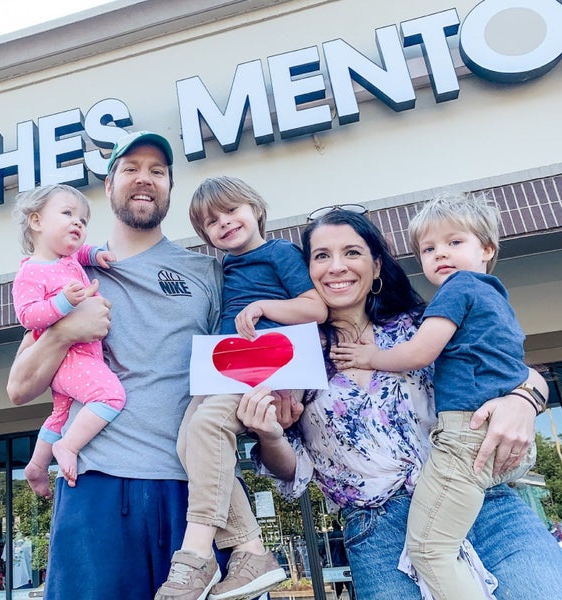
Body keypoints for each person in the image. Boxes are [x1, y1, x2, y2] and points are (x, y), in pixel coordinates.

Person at [235, 207, 562, 599]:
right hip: (379, 530)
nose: (336, 266)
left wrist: (524, 402)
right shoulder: (292, 355)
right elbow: (295, 469)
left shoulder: (423, 324)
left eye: (351, 252)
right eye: (321, 256)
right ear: (308, 271)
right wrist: (270, 435)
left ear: (376, 267)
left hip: (483, 504)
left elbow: (517, 373)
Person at [6, 131, 224, 600]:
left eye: (157, 171)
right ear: (108, 186)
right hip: (96, 486)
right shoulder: (70, 274)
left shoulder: (206, 273)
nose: (144, 180)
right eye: (130, 169)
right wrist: (66, 329)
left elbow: (231, 370)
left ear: (169, 186)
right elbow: (20, 387)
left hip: (192, 490)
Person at [330, 193, 545, 599]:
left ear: (487, 249)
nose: (440, 254)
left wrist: (370, 357)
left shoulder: (454, 291)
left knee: (429, 550)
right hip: (478, 452)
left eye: (454, 243)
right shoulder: (495, 297)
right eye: (428, 249)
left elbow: (421, 353)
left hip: (466, 443)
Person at [155, 176, 326, 600]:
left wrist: (266, 307)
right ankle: (250, 550)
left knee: (210, 425)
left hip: (270, 364)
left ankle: (196, 554)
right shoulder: (225, 268)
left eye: (231, 211)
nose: (224, 223)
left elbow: (315, 307)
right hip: (227, 365)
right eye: (211, 222)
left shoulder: (280, 252)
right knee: (186, 442)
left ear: (255, 207)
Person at [11, 184, 124, 497]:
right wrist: (63, 303)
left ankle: (35, 465)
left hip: (83, 354)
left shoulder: (70, 258)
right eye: (67, 214)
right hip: (70, 357)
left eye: (83, 221)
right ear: (36, 222)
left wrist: (96, 254)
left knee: (60, 414)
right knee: (110, 396)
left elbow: (81, 253)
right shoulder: (31, 272)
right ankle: (68, 447)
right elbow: (28, 317)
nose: (78, 223)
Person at [327, 520, 354, 600]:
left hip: (335, 564)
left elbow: (323, 550)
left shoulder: (330, 536)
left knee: (338, 588)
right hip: (345, 563)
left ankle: (338, 597)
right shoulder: (343, 535)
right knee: (350, 586)